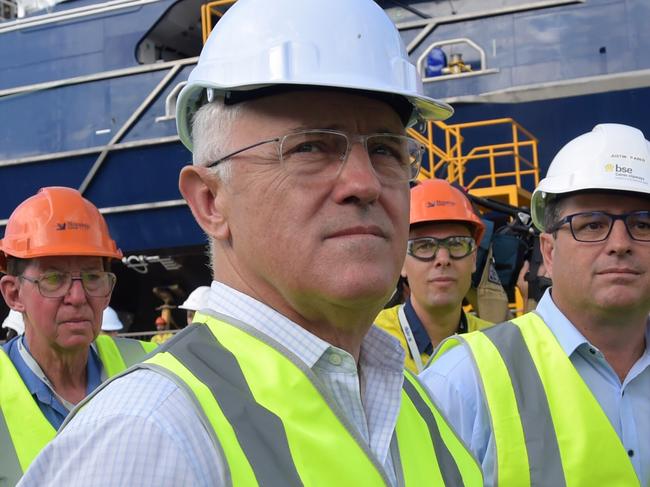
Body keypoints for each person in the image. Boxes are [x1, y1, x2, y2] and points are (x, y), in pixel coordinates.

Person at [20, 1, 483, 485]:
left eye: (387, 150)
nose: (364, 183)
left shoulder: (418, 407)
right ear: (211, 202)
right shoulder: (148, 436)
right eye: (311, 147)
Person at [420, 123, 650, 486]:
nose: (620, 243)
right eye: (591, 225)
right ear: (549, 252)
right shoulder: (464, 381)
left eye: (644, 224)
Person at [0, 186, 157, 484]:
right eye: (54, 278)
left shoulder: (153, 366)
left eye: (92, 277)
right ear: (13, 294)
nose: (77, 296)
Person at [375, 179, 492, 372]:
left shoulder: (497, 343)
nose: (443, 259)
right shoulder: (371, 342)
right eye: (425, 246)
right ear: (401, 262)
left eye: (456, 244)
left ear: (473, 259)